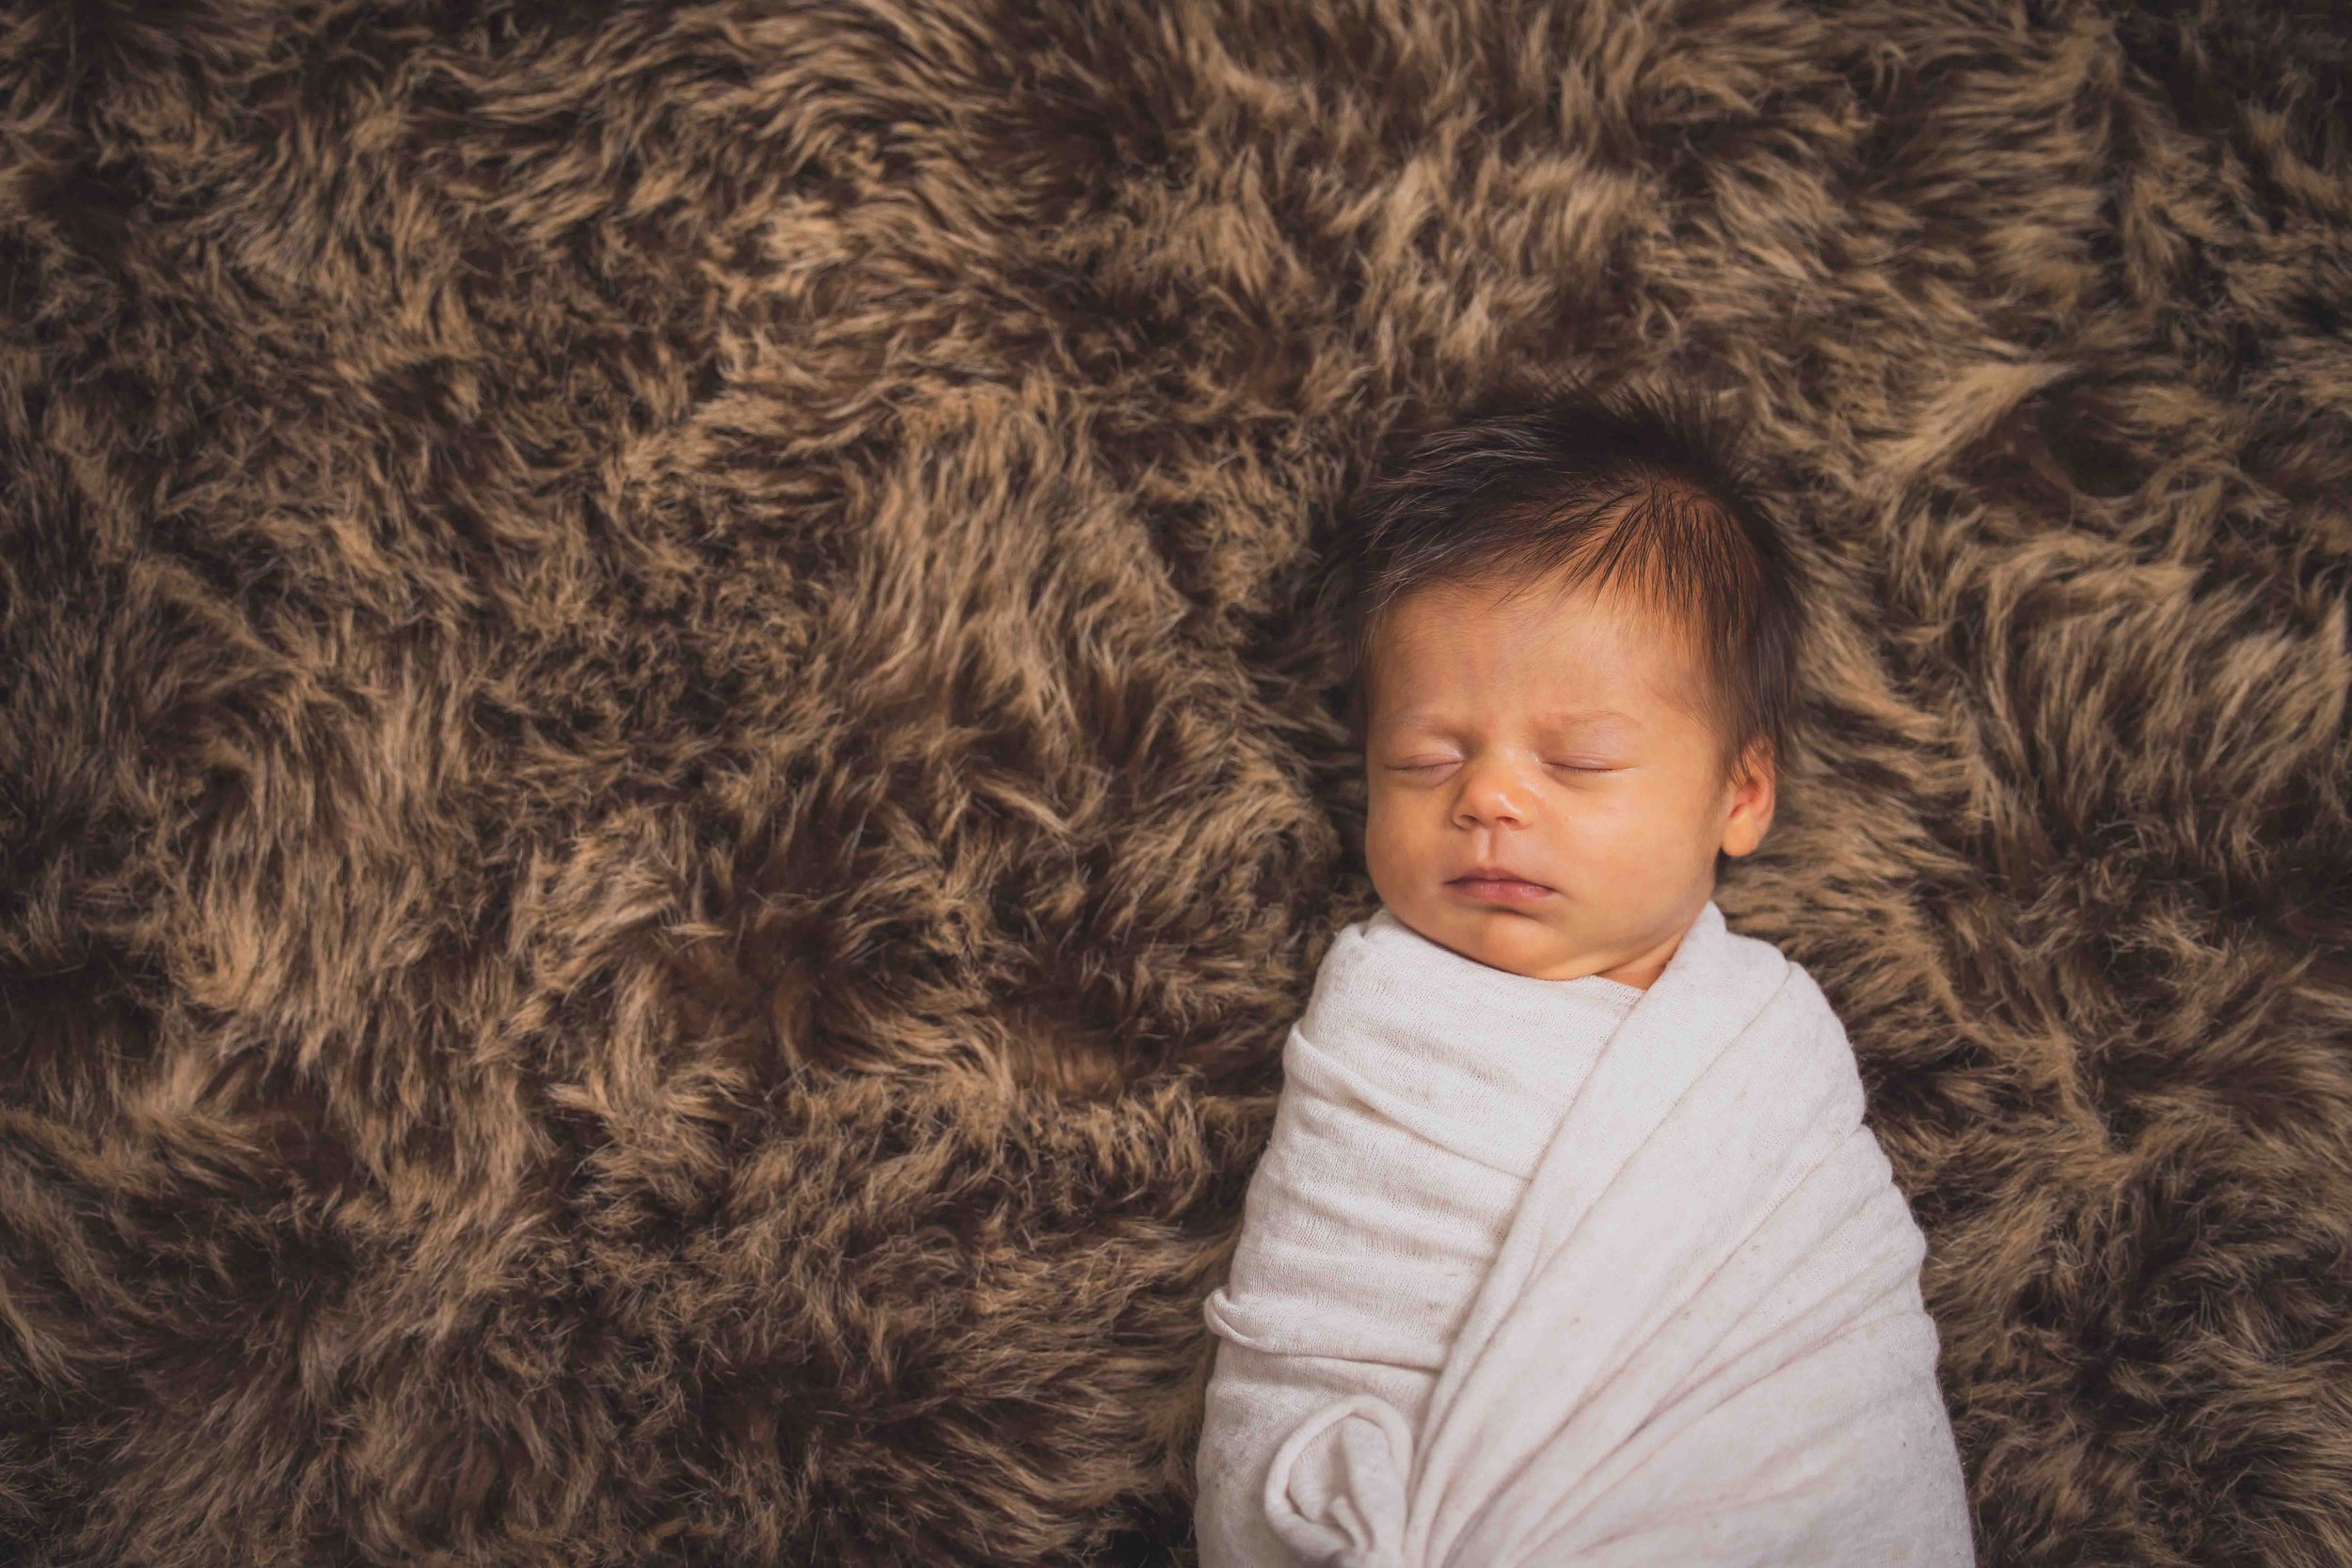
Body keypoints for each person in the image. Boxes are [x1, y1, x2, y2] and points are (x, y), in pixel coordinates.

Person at [1191, 384, 1974, 1567]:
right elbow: (1308, 1341)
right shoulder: (1380, 1023)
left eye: (1581, 759)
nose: (1488, 796)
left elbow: (1831, 1354)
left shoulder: (1764, 1049)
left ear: (1739, 794)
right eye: (1426, 757)